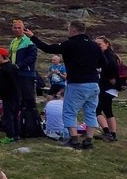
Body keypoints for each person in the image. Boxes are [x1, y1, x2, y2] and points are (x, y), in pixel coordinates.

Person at [27, 21, 103, 150]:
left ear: (73, 30)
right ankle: (89, 141)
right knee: (91, 112)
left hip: (77, 83)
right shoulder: (94, 46)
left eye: (69, 29)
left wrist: (33, 37)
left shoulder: (69, 44)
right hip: (94, 83)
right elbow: (102, 62)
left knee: (69, 112)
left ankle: (74, 140)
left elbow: (48, 48)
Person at [95, 36, 122, 141]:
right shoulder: (110, 55)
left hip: (106, 87)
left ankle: (107, 132)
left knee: (96, 111)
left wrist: (110, 77)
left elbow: (112, 67)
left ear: (107, 44)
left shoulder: (108, 55)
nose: (97, 46)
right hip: (111, 88)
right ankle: (113, 134)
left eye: (99, 44)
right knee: (108, 110)